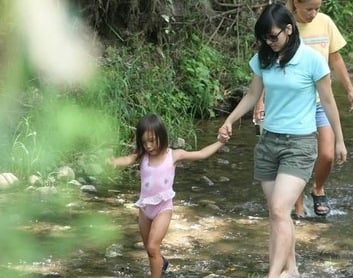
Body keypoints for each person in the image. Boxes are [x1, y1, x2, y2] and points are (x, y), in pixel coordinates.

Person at [218, 3, 347, 277]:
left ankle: (273, 273)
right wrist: (229, 119)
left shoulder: (312, 60)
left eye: (273, 36)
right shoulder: (264, 58)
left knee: (279, 208)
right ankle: (292, 270)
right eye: (265, 37)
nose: (269, 42)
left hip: (299, 145)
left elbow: (327, 100)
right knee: (278, 214)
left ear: (289, 29)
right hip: (268, 143)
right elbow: (253, 95)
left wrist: (339, 140)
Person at [254, 0, 353, 218]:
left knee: (326, 154)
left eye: (318, 8)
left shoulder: (325, 22)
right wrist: (260, 100)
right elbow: (270, 69)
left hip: (320, 102)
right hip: (293, 104)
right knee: (292, 156)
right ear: (295, 4)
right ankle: (297, 207)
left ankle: (318, 188)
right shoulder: (280, 26)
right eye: (309, 9)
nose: (314, 13)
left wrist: (349, 88)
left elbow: (335, 59)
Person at [107, 113, 227, 278]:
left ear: (161, 137)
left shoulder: (174, 155)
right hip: (144, 208)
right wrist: (113, 162)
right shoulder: (142, 156)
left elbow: (201, 154)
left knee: (152, 247)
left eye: (152, 141)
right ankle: (161, 262)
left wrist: (220, 142)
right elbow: (127, 159)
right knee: (150, 250)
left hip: (163, 208)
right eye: (144, 142)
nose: (148, 146)